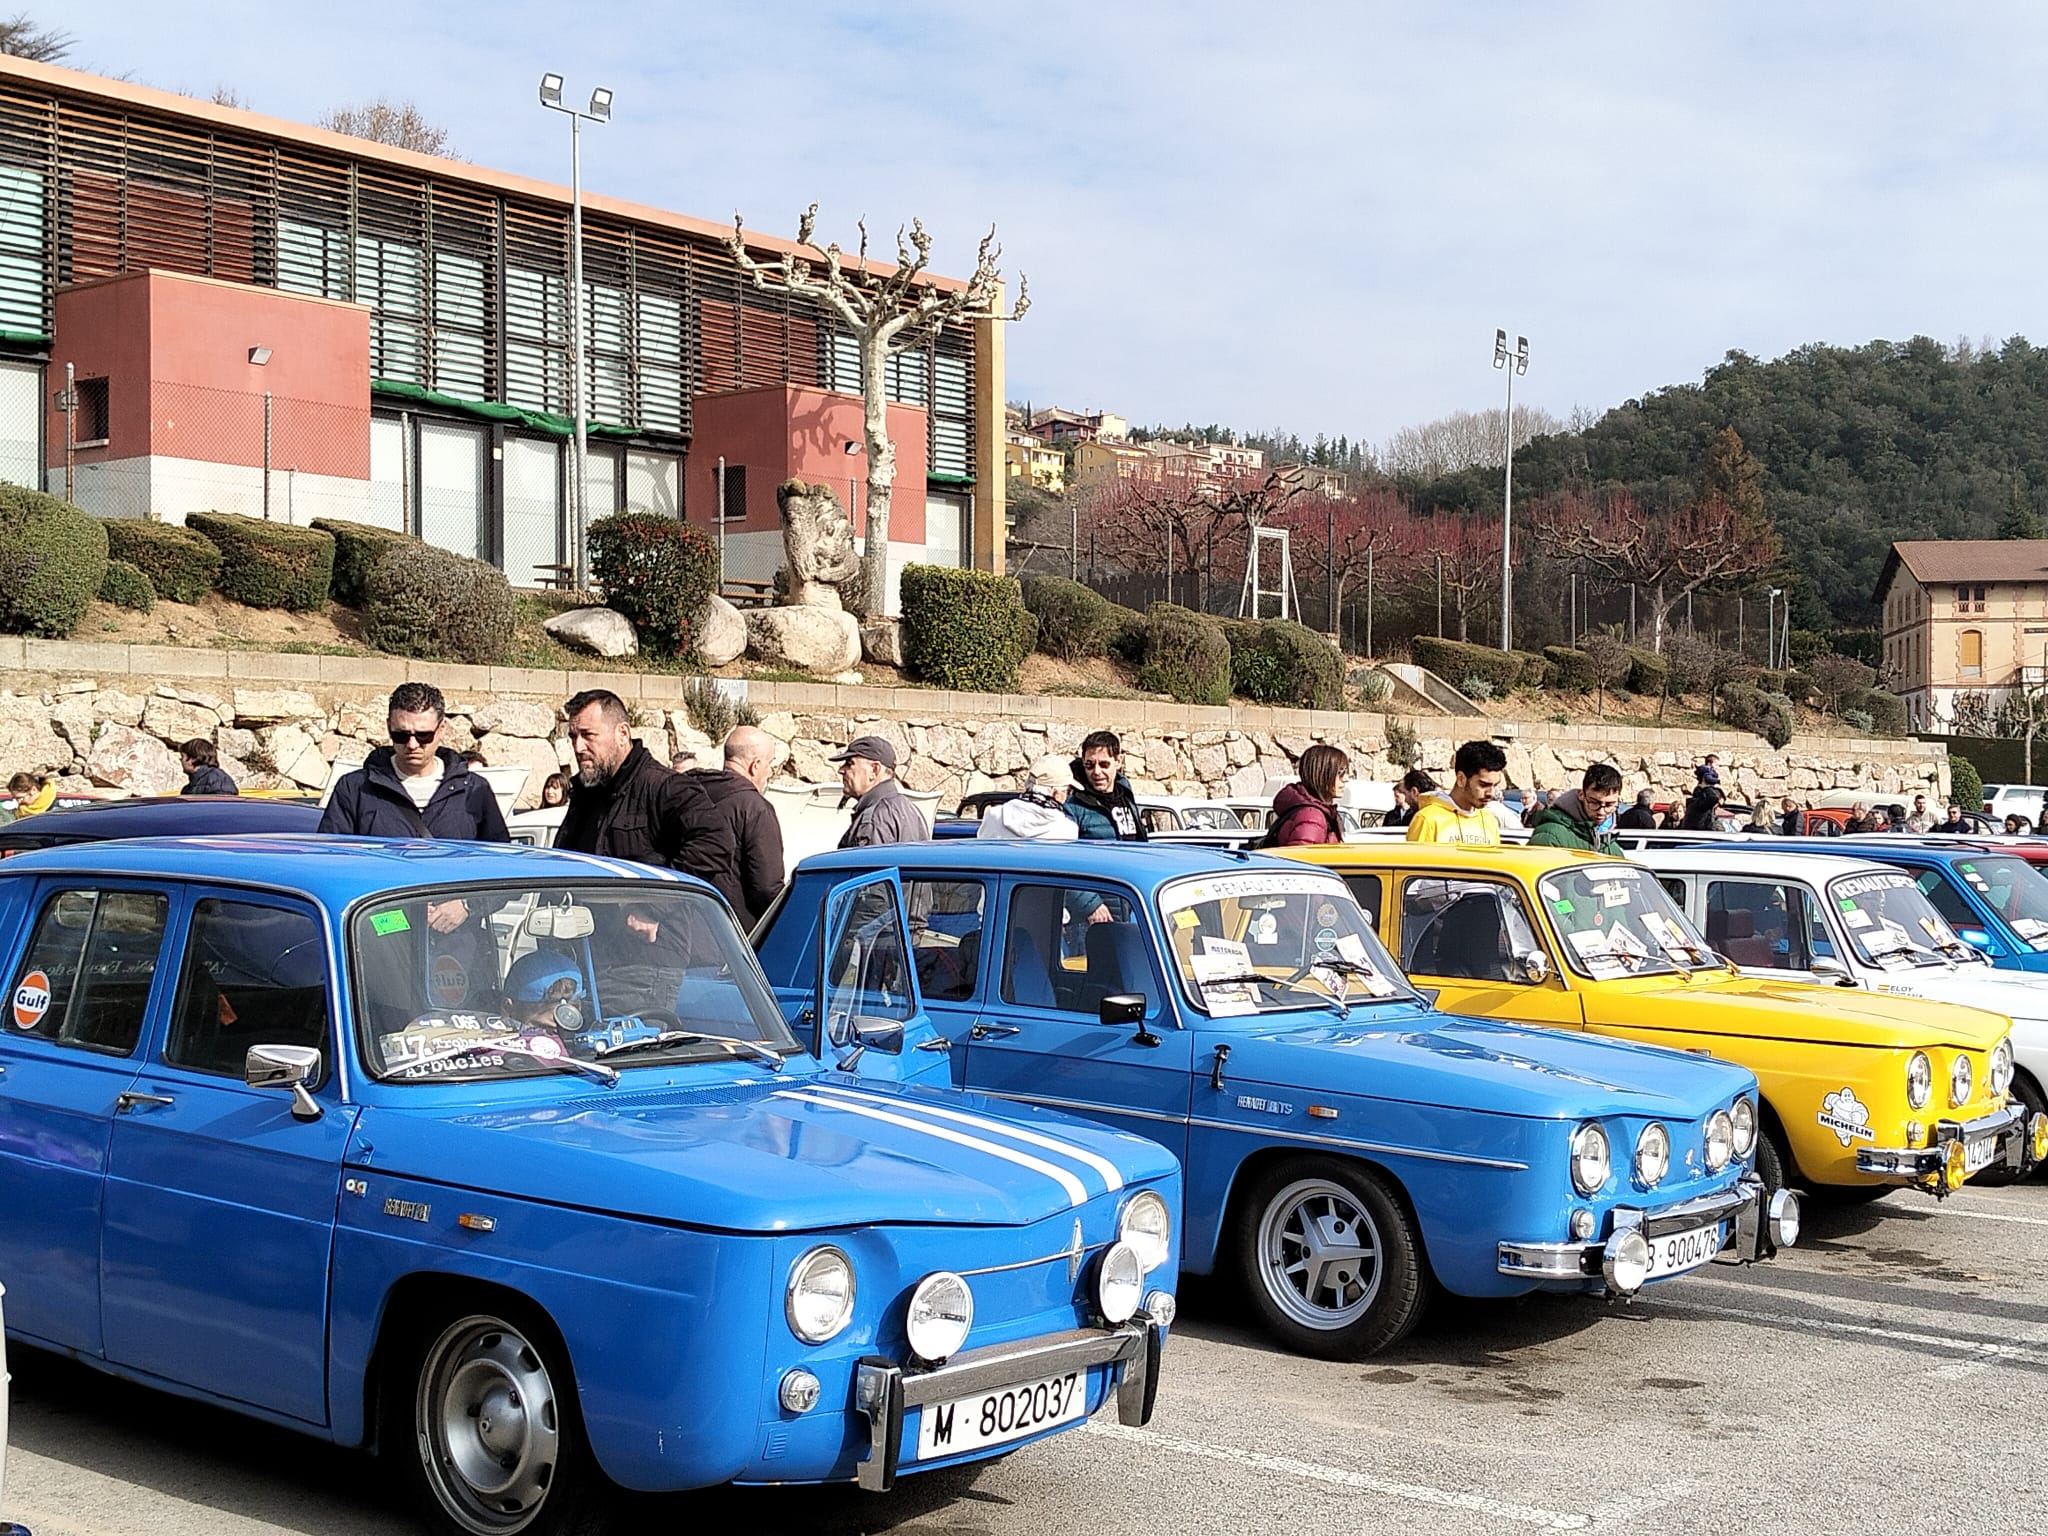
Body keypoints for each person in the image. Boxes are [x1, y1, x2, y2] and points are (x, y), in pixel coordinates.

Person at [319, 683, 509, 845]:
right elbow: (332, 860)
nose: (412, 744)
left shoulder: (475, 790)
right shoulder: (354, 788)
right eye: (401, 735)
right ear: (388, 727)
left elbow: (499, 864)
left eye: (423, 735)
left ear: (441, 728)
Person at [556, 688, 693, 867]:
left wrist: (652, 889)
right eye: (573, 737)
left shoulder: (665, 788)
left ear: (623, 733)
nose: (578, 747)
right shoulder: (586, 796)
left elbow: (713, 848)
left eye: (588, 735)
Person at [671, 724, 788, 929]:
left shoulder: (686, 796)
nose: (770, 772)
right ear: (755, 765)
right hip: (729, 937)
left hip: (678, 929)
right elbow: (767, 888)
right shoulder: (754, 808)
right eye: (770, 764)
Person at [833, 735, 927, 847]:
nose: (841, 770)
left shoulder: (873, 819)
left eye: (849, 763)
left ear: (874, 770)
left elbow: (869, 864)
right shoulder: (910, 808)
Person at [1406, 740, 1506, 844]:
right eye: (1483, 785)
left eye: (1495, 785)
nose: (1491, 793)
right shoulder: (1427, 819)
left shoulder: (1489, 821)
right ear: (1461, 779)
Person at [1064, 730, 1148, 841]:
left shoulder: (1126, 794)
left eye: (1104, 764)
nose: (1096, 771)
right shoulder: (1072, 806)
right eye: (1089, 765)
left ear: (1118, 761)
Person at [1528, 763, 1624, 854]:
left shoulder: (1611, 848)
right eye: (1594, 803)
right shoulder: (1549, 837)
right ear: (1581, 794)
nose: (1601, 811)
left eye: (1609, 805)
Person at [1268, 744, 1350, 846]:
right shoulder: (1311, 817)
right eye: (1340, 773)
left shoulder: (1312, 811)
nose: (1346, 779)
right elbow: (1301, 859)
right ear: (1321, 774)